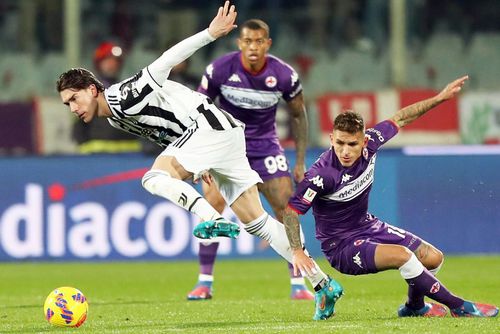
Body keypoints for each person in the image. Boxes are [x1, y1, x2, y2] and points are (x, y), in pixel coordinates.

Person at [56, 1, 342, 321]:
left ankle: (209, 217)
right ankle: (323, 283)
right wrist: (198, 161)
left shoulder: (125, 95)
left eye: (74, 99)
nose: (73, 108)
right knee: (257, 223)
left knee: (152, 178)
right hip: (223, 135)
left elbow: (166, 61)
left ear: (92, 89)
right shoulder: (114, 119)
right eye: (67, 104)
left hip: (209, 129)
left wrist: (210, 33)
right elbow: (165, 130)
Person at [283, 75, 499, 318]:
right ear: (332, 139)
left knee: (433, 258)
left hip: (368, 226)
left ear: (364, 141)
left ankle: (414, 307)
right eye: (340, 143)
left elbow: (402, 117)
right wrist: (297, 250)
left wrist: (439, 98)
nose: (345, 151)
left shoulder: (372, 143)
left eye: (352, 144)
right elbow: (291, 211)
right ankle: (459, 306)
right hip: (341, 247)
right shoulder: (322, 175)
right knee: (403, 256)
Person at [186, 18, 314, 301]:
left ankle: (298, 284)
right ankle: (204, 282)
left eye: (259, 41)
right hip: (226, 147)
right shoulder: (219, 69)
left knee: (286, 209)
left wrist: (300, 161)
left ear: (267, 44)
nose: (253, 47)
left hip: (265, 147)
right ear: (239, 43)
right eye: (247, 41)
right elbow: (196, 111)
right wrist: (202, 157)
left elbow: (298, 114)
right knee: (212, 206)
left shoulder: (284, 75)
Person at [72, 41, 141, 154]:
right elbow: (79, 128)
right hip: (98, 156)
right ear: (98, 64)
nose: (112, 65)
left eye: (115, 61)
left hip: (130, 156)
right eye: (107, 61)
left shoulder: (128, 89)